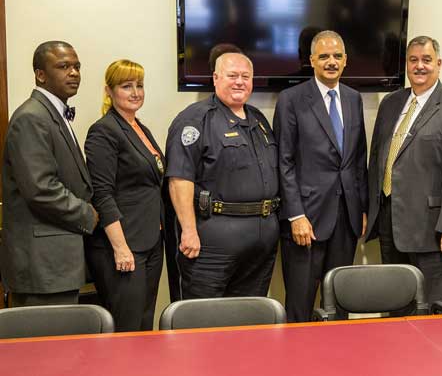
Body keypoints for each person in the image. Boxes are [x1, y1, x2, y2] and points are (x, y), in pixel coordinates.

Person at [366, 36, 442, 312]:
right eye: (413, 60)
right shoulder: (391, 103)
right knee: (395, 305)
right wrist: (369, 211)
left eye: (426, 60)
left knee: (433, 311)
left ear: (439, 64)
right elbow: (377, 159)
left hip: (433, 231)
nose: (419, 66)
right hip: (390, 224)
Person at [165, 52, 279, 299]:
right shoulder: (195, 119)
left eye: (245, 77)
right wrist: (188, 230)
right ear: (215, 78)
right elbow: (179, 178)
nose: (240, 82)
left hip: (260, 242)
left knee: (249, 318)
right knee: (204, 319)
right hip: (213, 242)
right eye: (232, 76)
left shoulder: (258, 119)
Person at [273, 30, 368, 322]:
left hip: (347, 217)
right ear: (311, 60)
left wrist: (362, 208)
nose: (331, 62)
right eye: (324, 56)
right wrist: (295, 215)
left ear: (345, 61)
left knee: (339, 300)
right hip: (307, 220)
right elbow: (284, 162)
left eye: (337, 56)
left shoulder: (353, 98)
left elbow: (358, 158)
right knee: (300, 303)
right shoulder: (291, 99)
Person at [0, 41, 98, 306]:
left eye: (77, 66)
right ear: (40, 75)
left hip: (57, 264)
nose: (74, 73)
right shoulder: (31, 117)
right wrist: (87, 213)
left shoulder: (52, 113)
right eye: (64, 66)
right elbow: (40, 189)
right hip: (42, 266)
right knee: (45, 346)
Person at [84, 60, 164, 331]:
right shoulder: (104, 130)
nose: (135, 92)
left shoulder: (139, 127)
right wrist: (120, 248)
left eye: (139, 85)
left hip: (150, 240)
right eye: (126, 86)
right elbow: (102, 195)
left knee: (143, 322)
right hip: (122, 245)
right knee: (126, 327)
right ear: (109, 91)